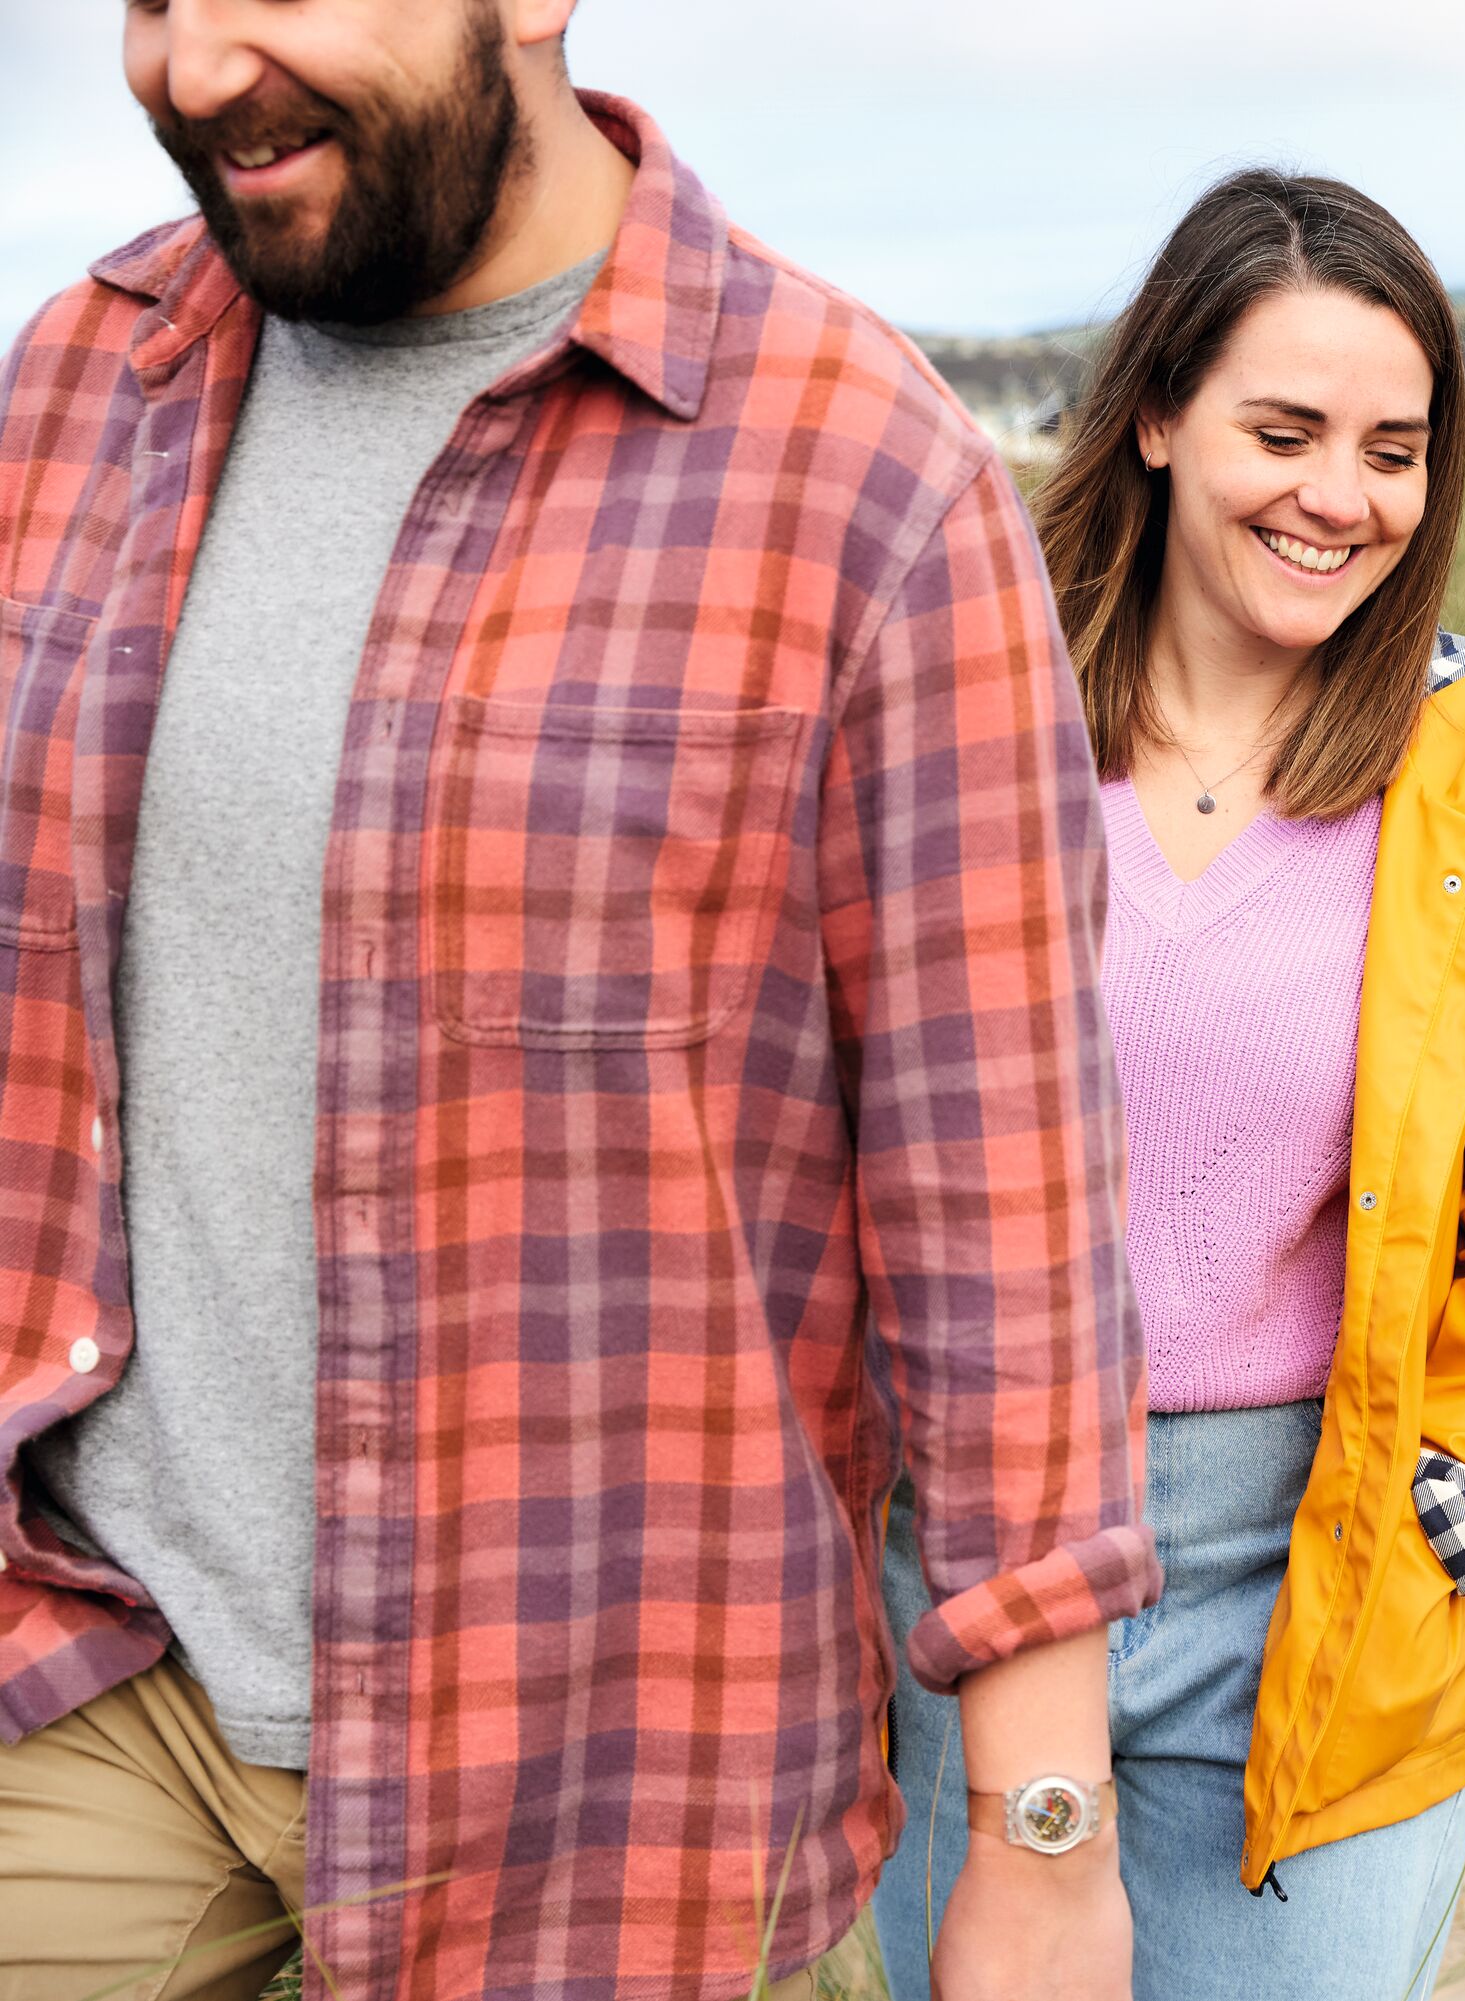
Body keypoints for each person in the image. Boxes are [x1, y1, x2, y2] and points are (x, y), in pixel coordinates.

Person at [0, 5, 1154, 1998]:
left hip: (618, 1787)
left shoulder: (864, 473)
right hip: (99, 1670)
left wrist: (1045, 1850)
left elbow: (1006, 1218)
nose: (192, 73)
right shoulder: (80, 385)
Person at [871, 170, 1465, 2001]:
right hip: (972, 1558)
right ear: (1156, 415)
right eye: (1285, 429)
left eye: (1395, 449)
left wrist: (1460, 1490)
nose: (1341, 496)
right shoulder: (960, 723)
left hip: (1322, 1558)